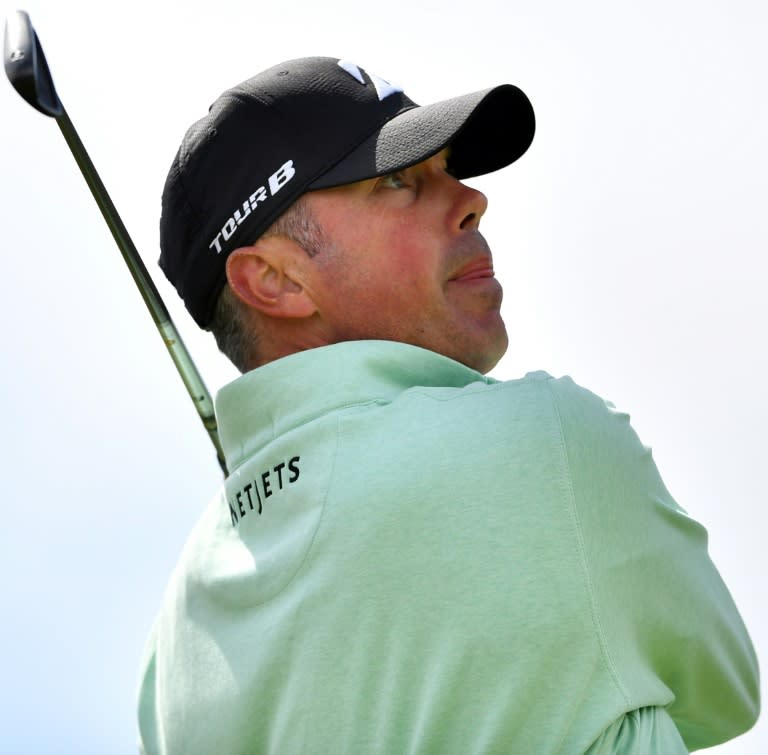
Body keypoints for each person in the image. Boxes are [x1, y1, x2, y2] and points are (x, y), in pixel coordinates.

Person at [137, 57, 760, 754]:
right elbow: (725, 690)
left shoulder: (168, 654)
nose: (470, 198)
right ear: (275, 280)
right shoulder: (546, 444)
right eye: (398, 181)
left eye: (445, 167)